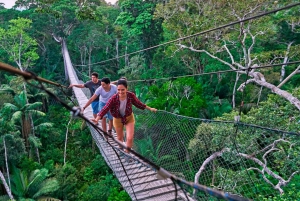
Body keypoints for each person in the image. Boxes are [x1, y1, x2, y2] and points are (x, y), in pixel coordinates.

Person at [92, 79, 157, 153]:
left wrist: (150, 108)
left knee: (129, 138)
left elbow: (139, 104)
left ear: (127, 88)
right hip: (117, 119)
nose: (120, 92)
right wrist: (97, 119)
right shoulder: (113, 98)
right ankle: (121, 150)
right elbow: (105, 108)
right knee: (120, 138)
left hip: (129, 118)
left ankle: (127, 153)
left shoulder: (130, 95)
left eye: (122, 90)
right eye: (118, 90)